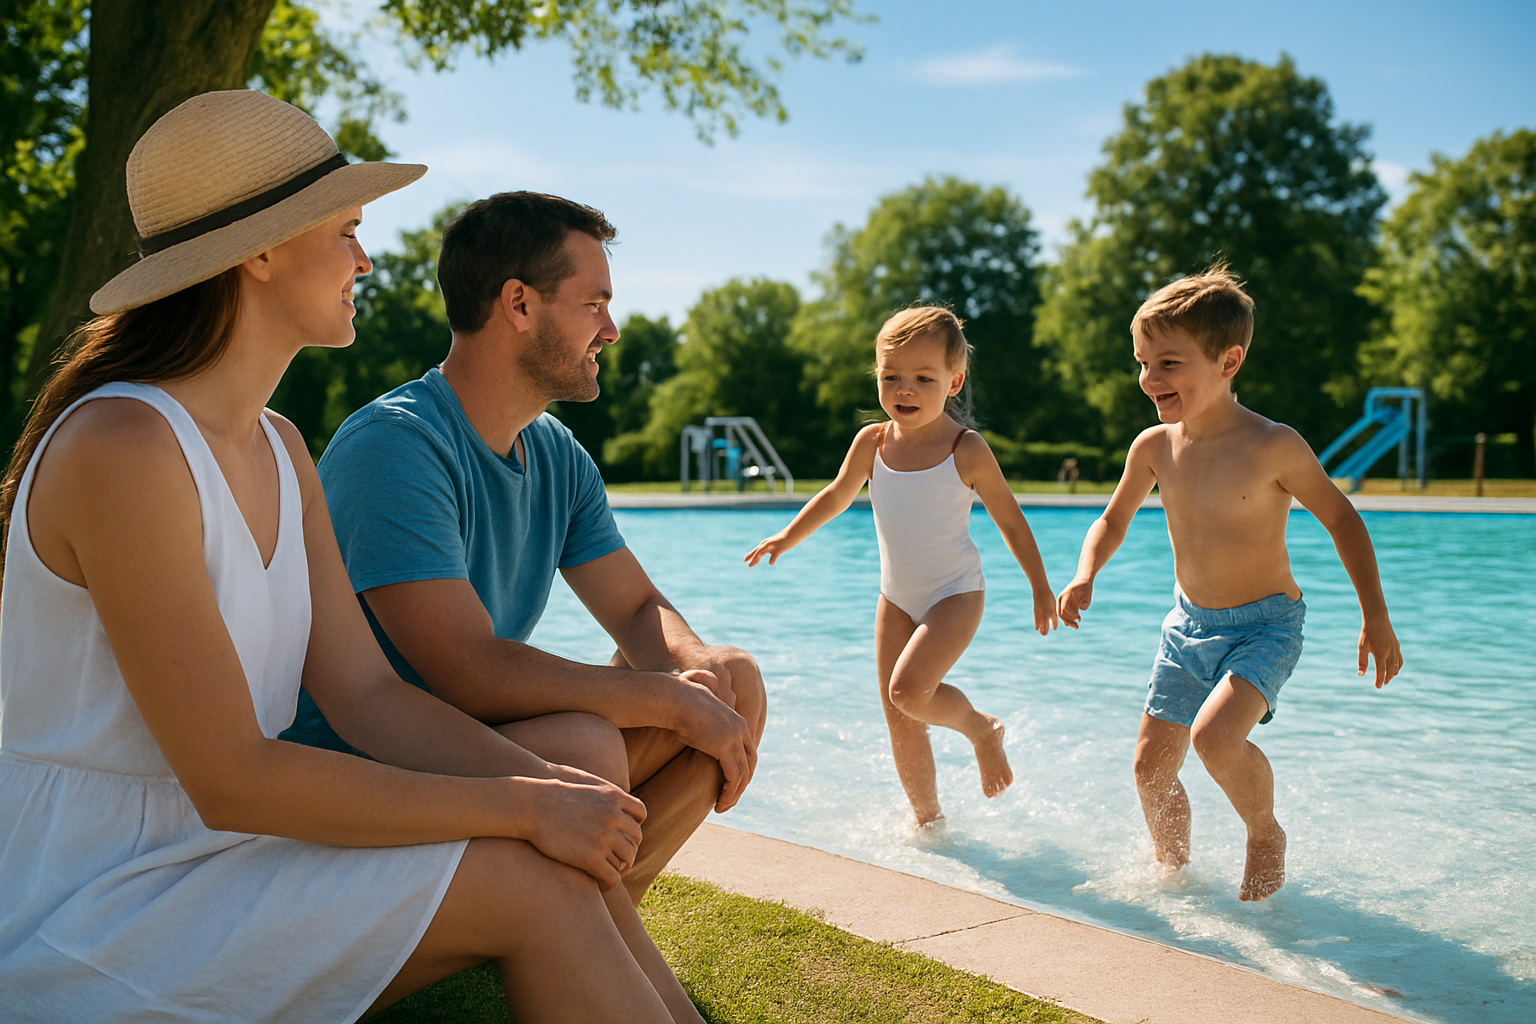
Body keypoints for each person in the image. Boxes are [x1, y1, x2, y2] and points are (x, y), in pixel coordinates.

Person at [0, 90, 701, 1023]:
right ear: (259, 249)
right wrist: (523, 807)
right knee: (534, 866)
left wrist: (541, 791)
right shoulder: (123, 448)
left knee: (551, 845)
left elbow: (372, 698)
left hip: (228, 851)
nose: (365, 260)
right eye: (346, 231)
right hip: (91, 894)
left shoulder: (282, 446)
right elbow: (231, 776)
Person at [282, 191, 766, 905]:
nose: (613, 329)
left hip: (481, 740)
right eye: (594, 303)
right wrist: (663, 701)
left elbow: (635, 607)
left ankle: (596, 913)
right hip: (371, 767)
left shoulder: (555, 454)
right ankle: (577, 928)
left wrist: (695, 673)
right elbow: (467, 670)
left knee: (733, 679)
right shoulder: (395, 446)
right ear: (519, 304)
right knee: (587, 747)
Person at [1055, 266, 1404, 902]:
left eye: (1168, 363)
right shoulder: (1154, 448)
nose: (1149, 380)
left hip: (1266, 625)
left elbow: (1343, 521)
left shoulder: (1273, 445)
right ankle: (1174, 878)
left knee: (1215, 738)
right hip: (1188, 625)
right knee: (1150, 769)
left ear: (1229, 360)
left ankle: (1264, 831)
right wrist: (1086, 573)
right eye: (1143, 363)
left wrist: (1374, 617)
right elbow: (1112, 518)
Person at [745, 307, 1057, 826]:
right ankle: (929, 824)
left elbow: (1012, 521)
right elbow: (837, 496)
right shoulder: (871, 443)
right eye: (891, 377)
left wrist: (1040, 587)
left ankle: (981, 729)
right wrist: (788, 535)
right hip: (895, 598)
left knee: (910, 692)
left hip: (955, 594)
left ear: (954, 381)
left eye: (922, 378)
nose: (904, 390)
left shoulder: (966, 448)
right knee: (900, 716)